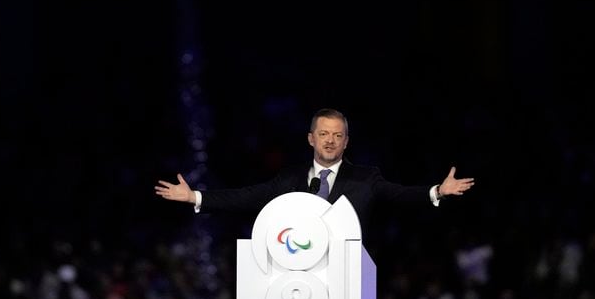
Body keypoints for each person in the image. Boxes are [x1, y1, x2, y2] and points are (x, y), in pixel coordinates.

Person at [155, 108, 474, 228]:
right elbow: (247, 197)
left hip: (345, 281)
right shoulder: (290, 178)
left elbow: (400, 194)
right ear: (311, 138)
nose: (330, 141)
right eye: (324, 134)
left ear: (346, 142)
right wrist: (196, 196)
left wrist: (437, 191)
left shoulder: (366, 179)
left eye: (338, 136)